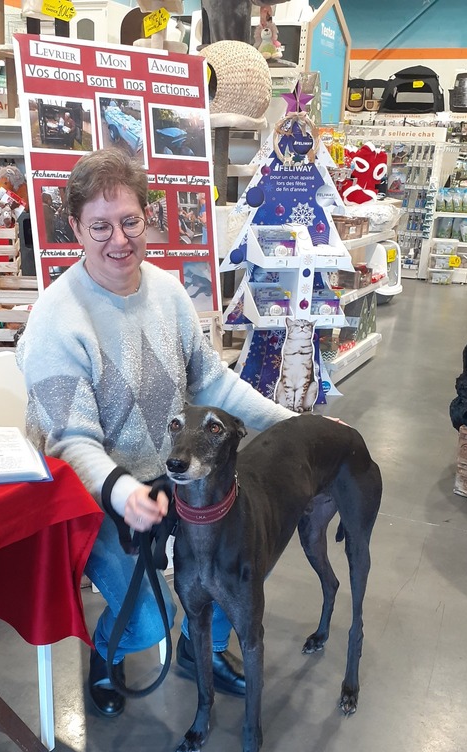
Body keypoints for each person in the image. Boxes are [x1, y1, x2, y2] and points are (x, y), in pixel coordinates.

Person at [17, 149, 294, 719]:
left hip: (176, 477)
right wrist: (124, 493)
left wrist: (295, 426)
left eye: (130, 221)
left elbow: (212, 382)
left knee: (237, 568)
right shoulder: (55, 320)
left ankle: (200, 648)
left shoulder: (168, 293)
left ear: (148, 218)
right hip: (94, 497)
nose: (119, 240)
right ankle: (108, 654)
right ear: (75, 228)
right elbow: (70, 441)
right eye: (100, 226)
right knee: (148, 622)